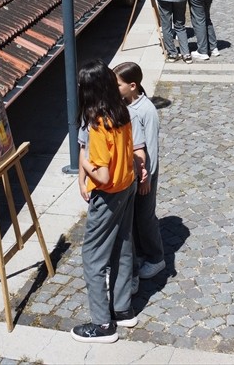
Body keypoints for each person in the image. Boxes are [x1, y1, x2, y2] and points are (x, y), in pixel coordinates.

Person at [72, 59, 136, 343]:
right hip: (127, 187)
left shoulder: (98, 124)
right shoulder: (121, 112)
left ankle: (102, 325)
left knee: (92, 258)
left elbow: (102, 173)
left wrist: (83, 166)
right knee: (121, 247)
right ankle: (122, 309)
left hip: (108, 194)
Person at [113, 62, 165, 283]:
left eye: (118, 84)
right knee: (134, 219)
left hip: (145, 174)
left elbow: (151, 146)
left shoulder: (146, 110)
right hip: (133, 174)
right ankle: (142, 253)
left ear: (132, 85)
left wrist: (147, 177)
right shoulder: (125, 105)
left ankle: (156, 258)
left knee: (145, 218)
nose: (115, 88)